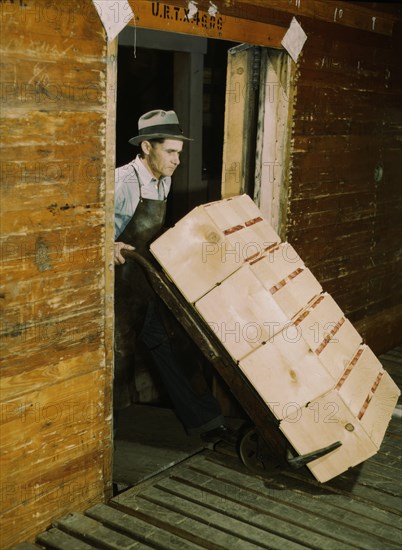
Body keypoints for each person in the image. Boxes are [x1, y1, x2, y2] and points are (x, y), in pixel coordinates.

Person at [113, 109, 236, 443]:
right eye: (171, 151)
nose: (177, 160)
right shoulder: (122, 183)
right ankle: (99, 450)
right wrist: (105, 244)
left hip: (146, 286)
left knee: (173, 350)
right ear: (147, 148)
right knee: (115, 367)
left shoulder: (163, 180)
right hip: (115, 295)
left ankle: (206, 422)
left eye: (179, 153)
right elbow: (88, 231)